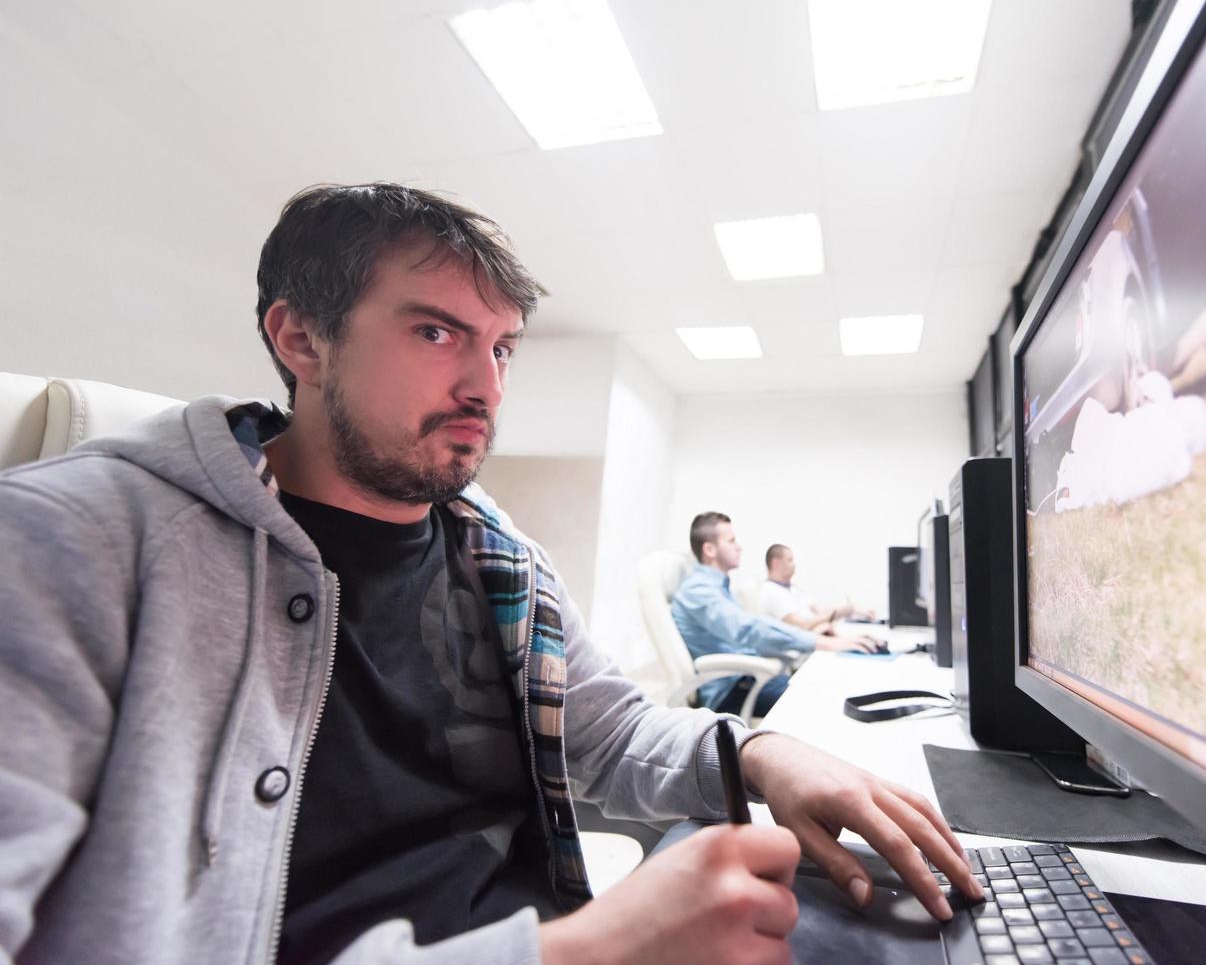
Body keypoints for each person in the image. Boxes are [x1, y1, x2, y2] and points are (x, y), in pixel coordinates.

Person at [0, 183, 981, 964]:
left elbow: (613, 728)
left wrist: (761, 751)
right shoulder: (70, 542)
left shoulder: (492, 549)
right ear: (300, 338)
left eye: (501, 345)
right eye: (435, 333)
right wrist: (586, 952)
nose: (486, 386)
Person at [671, 514, 880, 718]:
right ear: (709, 549)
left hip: (748, 679)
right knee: (828, 701)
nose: (739, 546)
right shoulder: (699, 591)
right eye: (731, 541)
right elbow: (748, 629)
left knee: (831, 685)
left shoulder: (718, 588)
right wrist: (824, 642)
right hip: (733, 690)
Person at [759, 543, 874, 632]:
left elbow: (818, 609)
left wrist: (852, 610)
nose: (794, 564)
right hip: (802, 651)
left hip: (818, 636)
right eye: (790, 560)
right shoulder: (771, 592)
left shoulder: (793, 589)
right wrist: (836, 614)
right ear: (776, 563)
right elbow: (800, 625)